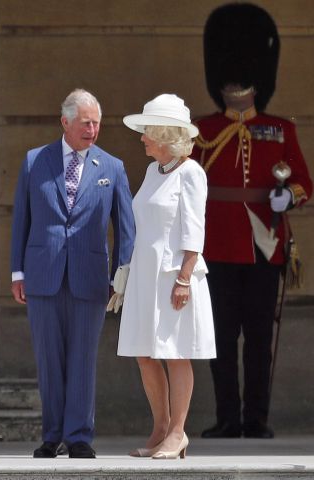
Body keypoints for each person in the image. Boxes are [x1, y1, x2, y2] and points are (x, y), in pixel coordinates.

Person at [194, 3, 312, 439]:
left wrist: (286, 196)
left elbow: (304, 182)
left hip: (265, 246)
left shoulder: (279, 129)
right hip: (218, 249)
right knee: (221, 341)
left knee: (259, 342)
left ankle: (255, 418)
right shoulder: (202, 131)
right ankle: (228, 417)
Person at [10, 88, 135, 459]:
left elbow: (125, 228)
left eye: (97, 122)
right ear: (64, 122)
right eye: (86, 122)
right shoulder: (35, 161)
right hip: (43, 274)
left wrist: (121, 276)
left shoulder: (111, 167)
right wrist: (18, 272)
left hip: (89, 276)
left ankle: (79, 435)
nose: (93, 129)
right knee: (49, 358)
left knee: (83, 358)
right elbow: (21, 220)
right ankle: (52, 435)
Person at [118, 94, 215, 460]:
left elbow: (194, 229)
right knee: (145, 353)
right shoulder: (151, 171)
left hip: (175, 275)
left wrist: (185, 278)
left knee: (176, 354)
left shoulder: (191, 172)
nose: (142, 137)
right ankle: (160, 427)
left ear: (163, 134)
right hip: (146, 274)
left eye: (147, 131)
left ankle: (178, 433)